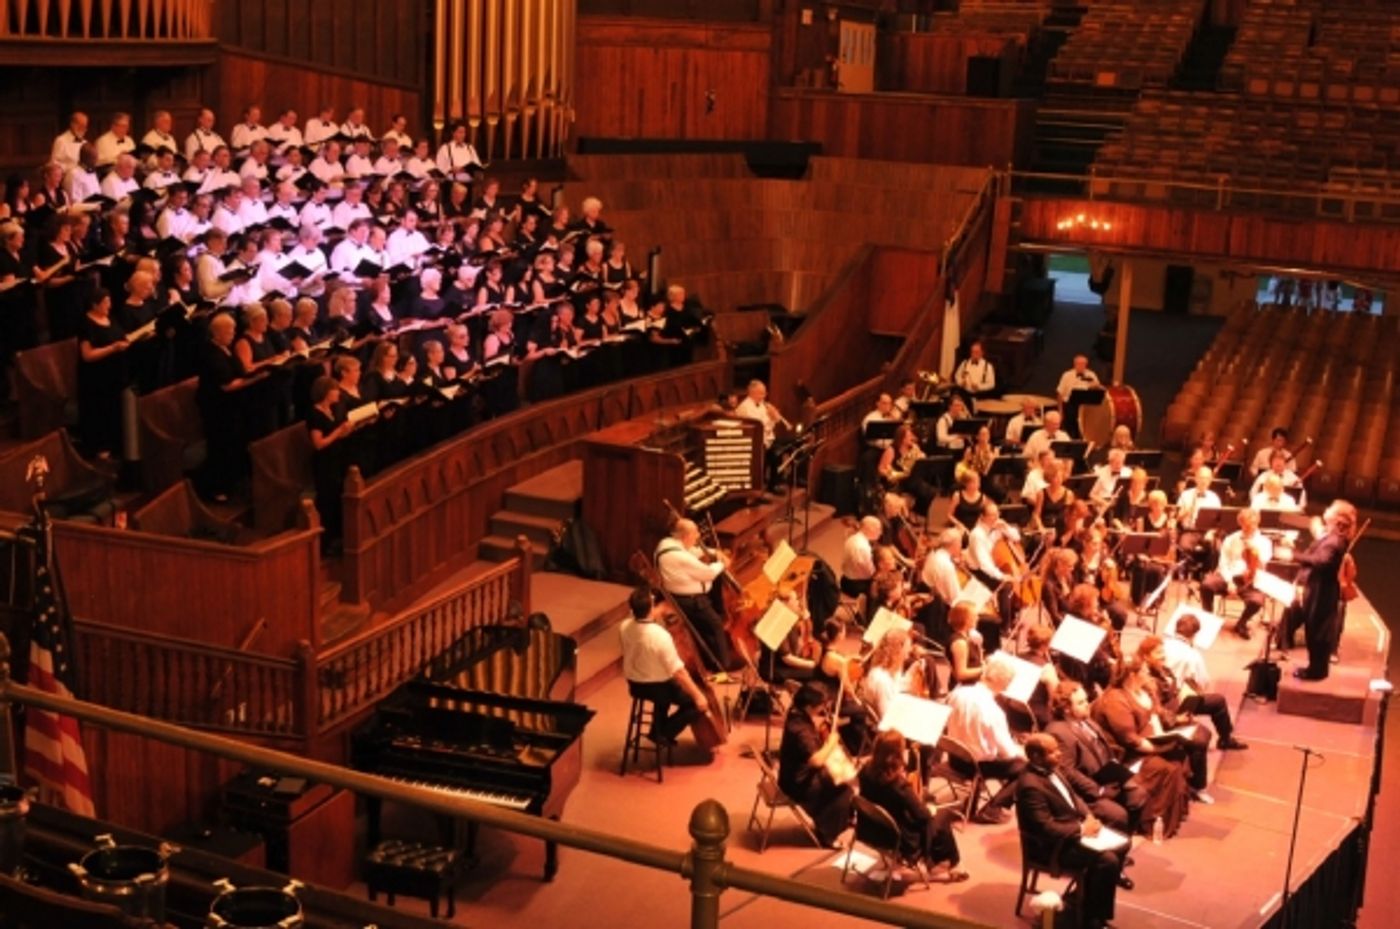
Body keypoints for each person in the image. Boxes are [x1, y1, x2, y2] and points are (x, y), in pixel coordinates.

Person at [1016, 733, 1127, 929]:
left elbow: (1075, 799)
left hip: (1072, 833)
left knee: (1122, 843)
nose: (1059, 754)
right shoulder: (1030, 786)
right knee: (1107, 861)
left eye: (1058, 749)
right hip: (1052, 847)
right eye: (1052, 752)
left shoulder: (1053, 769)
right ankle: (1092, 919)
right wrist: (1082, 829)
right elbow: (1045, 828)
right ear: (1035, 757)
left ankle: (1081, 901)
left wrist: (1089, 817)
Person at [1093, 654, 1211, 806]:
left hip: (1156, 737)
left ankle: (1189, 792)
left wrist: (1175, 722)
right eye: (1144, 671)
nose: (1148, 674)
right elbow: (1130, 739)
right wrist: (1161, 747)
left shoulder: (1145, 689)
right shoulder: (1116, 700)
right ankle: (1158, 813)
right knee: (1170, 766)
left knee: (1194, 740)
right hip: (1134, 750)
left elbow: (1157, 712)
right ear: (1132, 675)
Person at [858, 731, 968, 881]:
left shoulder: (864, 771)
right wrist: (930, 808)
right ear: (897, 755)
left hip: (871, 831)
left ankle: (935, 863)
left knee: (928, 812)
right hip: (899, 839)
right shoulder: (898, 785)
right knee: (940, 818)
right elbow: (923, 815)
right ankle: (945, 864)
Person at [1047, 681, 1152, 836]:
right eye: (1081, 702)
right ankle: (1110, 853)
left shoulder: (1088, 721)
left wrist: (1119, 775)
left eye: (1086, 700)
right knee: (1117, 815)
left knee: (1139, 795)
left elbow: (1106, 751)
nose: (1087, 705)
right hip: (1087, 792)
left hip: (1107, 778)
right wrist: (1099, 790)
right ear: (1066, 708)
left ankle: (1124, 841)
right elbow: (1067, 772)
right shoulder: (1058, 732)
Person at [619, 586, 712, 748]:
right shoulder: (660, 636)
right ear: (650, 609)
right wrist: (699, 696)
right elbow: (679, 672)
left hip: (634, 684)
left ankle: (658, 727)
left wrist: (655, 609)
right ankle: (663, 732)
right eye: (653, 604)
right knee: (695, 703)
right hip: (657, 687)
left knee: (665, 685)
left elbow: (639, 616)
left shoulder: (624, 627)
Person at [945, 653, 1025, 824]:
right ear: (1004, 683)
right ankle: (993, 808)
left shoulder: (957, 693)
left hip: (954, 757)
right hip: (977, 766)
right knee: (1027, 769)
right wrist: (1023, 751)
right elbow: (1007, 753)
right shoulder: (993, 710)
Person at [1281, 500, 1356, 681]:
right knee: (1314, 628)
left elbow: (1321, 561)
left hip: (1322, 591)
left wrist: (1293, 555)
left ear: (1338, 517)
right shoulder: (1331, 535)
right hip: (1319, 587)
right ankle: (1315, 667)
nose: (1326, 509)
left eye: (1330, 508)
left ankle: (1317, 671)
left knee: (1317, 630)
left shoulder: (1335, 540)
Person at [654, 518, 739, 672]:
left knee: (711, 622)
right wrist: (722, 564)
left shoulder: (667, 544)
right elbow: (708, 573)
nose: (698, 536)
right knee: (715, 625)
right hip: (690, 601)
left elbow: (693, 551)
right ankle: (722, 666)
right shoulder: (679, 557)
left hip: (684, 596)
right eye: (695, 533)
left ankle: (710, 660)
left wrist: (714, 552)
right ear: (684, 536)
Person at [778, 682, 856, 848]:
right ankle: (828, 834)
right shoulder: (800, 729)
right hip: (797, 783)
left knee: (839, 777)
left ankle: (837, 820)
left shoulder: (796, 714)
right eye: (821, 705)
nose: (824, 707)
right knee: (844, 788)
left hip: (793, 774)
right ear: (809, 706)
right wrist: (831, 743)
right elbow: (816, 760)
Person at [1201, 507, 1272, 638]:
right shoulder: (1231, 539)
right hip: (1230, 576)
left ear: (1257, 523)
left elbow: (1263, 565)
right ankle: (1208, 617)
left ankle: (1241, 623)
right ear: (1240, 523)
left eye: (1252, 524)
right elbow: (1223, 563)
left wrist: (1254, 552)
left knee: (1257, 601)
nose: (1250, 528)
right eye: (1246, 525)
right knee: (1207, 584)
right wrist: (1229, 582)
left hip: (1251, 579)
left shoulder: (1265, 542)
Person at [76, 287, 130, 458]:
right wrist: (113, 348)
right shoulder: (86, 323)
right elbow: (87, 355)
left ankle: (116, 444)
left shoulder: (109, 318)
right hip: (96, 377)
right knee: (100, 411)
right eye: (105, 302)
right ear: (94, 305)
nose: (109, 305)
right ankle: (100, 447)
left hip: (114, 373)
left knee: (115, 409)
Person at [1056, 354, 1102, 438]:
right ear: (1074, 364)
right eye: (1079, 364)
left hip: (1086, 406)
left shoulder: (1091, 375)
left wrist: (1095, 387)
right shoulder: (1067, 375)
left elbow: (1098, 390)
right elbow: (1060, 393)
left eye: (1083, 364)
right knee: (1071, 428)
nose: (1081, 366)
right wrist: (1060, 411)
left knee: (1085, 428)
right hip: (1070, 406)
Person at [839, 516, 883, 600]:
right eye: (878, 529)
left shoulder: (852, 538)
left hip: (846, 579)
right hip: (855, 586)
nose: (880, 532)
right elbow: (869, 573)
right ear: (870, 529)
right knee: (884, 588)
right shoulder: (863, 547)